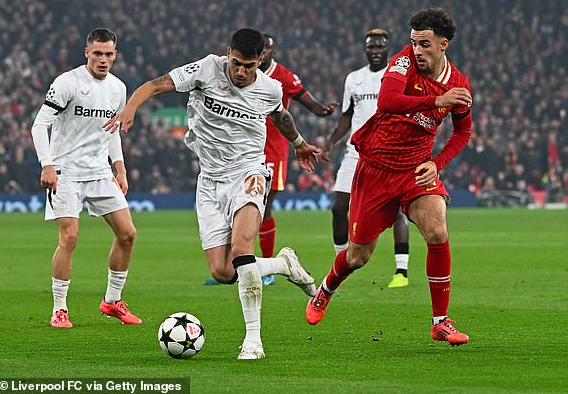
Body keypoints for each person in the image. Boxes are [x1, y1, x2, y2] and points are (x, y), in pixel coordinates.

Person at [104, 28, 320, 360]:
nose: (241, 71)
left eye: (249, 65)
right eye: (236, 62)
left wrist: (300, 144)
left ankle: (253, 340)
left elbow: (282, 116)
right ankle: (283, 264)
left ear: (260, 61)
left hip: (248, 172)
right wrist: (131, 108)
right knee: (222, 272)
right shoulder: (207, 69)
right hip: (209, 180)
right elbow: (156, 84)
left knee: (242, 250)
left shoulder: (269, 88)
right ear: (227, 53)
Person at [306, 7, 473, 346]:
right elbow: (388, 100)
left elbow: (462, 132)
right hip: (376, 170)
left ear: (443, 45)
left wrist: (437, 164)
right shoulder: (403, 63)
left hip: (415, 170)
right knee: (358, 257)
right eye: (413, 43)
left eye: (425, 44)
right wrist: (435, 99)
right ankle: (325, 289)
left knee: (438, 231)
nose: (417, 51)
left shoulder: (459, 84)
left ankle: (440, 321)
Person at [203, 33, 339, 286]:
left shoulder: (282, 77)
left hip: (273, 152)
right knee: (237, 211)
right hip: (240, 153)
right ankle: (236, 265)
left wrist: (322, 110)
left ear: (268, 54)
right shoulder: (232, 75)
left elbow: (306, 101)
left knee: (261, 209)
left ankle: (263, 267)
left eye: (268, 49)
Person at [31, 28, 141, 328]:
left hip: (99, 172)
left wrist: (120, 168)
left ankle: (112, 301)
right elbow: (39, 126)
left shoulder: (118, 88)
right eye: (97, 54)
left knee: (128, 234)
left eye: (108, 54)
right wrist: (47, 164)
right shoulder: (67, 83)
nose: (103, 60)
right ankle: (59, 308)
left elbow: (112, 130)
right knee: (70, 237)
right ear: (87, 53)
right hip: (66, 172)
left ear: (115, 55)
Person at [322, 28, 410, 289]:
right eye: (371, 47)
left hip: (388, 154)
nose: (375, 51)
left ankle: (401, 272)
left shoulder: (396, 76)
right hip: (355, 152)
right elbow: (347, 116)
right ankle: (342, 259)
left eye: (379, 47)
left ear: (387, 48)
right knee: (339, 208)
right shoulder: (354, 79)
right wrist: (329, 143)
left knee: (396, 212)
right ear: (365, 49)